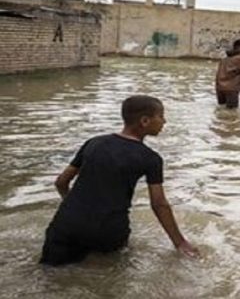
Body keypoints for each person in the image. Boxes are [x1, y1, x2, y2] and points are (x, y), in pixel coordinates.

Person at [40, 96, 198, 266]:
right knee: (106, 278)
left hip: (65, 225)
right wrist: (180, 243)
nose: (164, 121)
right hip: (107, 230)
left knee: (49, 273)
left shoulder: (94, 143)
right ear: (145, 121)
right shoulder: (150, 158)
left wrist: (74, 209)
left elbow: (61, 182)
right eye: (160, 116)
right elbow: (159, 204)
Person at [215, 39, 240, 109]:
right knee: (232, 111)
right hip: (231, 89)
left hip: (220, 88)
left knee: (222, 108)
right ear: (237, 48)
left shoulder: (224, 59)